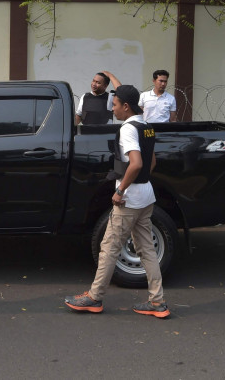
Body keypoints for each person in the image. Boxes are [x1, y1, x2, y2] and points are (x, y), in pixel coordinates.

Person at [64, 84, 169, 318]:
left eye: (115, 105)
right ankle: (157, 301)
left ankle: (94, 297)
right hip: (146, 196)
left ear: (126, 106)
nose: (113, 109)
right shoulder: (147, 127)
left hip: (129, 200)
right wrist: (140, 183)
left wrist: (121, 190)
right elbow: (151, 163)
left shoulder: (129, 129)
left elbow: (137, 163)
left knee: (109, 248)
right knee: (147, 250)